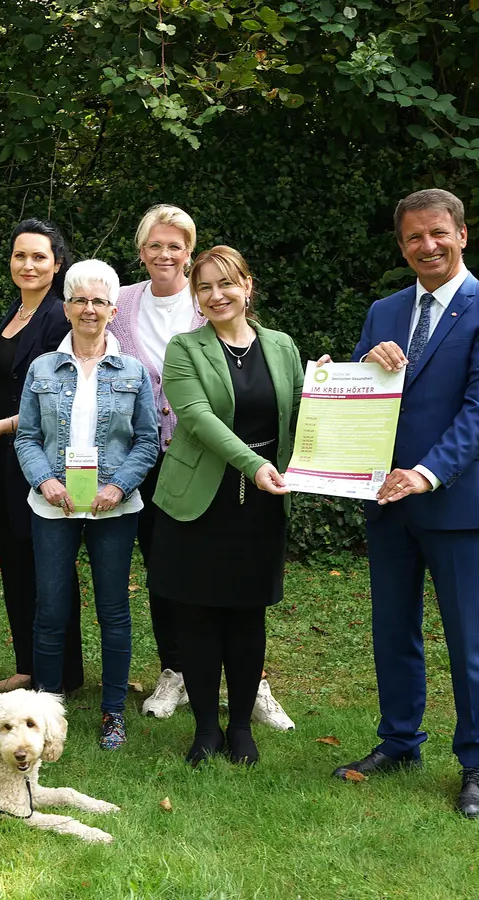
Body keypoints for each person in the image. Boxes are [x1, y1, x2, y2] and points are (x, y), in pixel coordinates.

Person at [325, 188, 479, 818]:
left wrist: (427, 473)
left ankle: (478, 763)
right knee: (393, 630)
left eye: (438, 233)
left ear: (462, 235)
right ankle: (400, 741)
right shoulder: (385, 311)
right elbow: (365, 397)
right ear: (401, 245)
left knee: (471, 639)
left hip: (457, 500)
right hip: (385, 499)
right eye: (414, 237)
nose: (427, 246)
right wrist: (353, 368)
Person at [106, 205, 298, 730]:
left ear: (190, 254)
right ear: (141, 251)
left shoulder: (243, 326)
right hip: (153, 459)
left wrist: (335, 383)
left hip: (246, 474)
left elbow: (289, 399)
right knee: (171, 578)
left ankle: (248, 684)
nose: (165, 254)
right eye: (154, 245)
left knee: (242, 589)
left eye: (176, 246)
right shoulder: (120, 302)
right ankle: (178, 673)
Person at [148, 246, 303, 767]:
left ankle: (240, 727)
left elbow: (305, 412)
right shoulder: (184, 348)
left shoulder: (282, 346)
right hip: (198, 504)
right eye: (205, 288)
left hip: (261, 505)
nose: (216, 296)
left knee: (246, 616)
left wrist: (334, 385)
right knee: (196, 617)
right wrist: (252, 465)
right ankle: (207, 729)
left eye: (226, 284)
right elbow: (195, 418)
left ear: (247, 287)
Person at [14, 259, 159, 750]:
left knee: (114, 610)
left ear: (113, 310)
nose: (89, 309)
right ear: (67, 306)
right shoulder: (42, 368)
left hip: (113, 510)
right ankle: (45, 712)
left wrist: (118, 485)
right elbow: (28, 437)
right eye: (80, 300)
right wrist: (44, 480)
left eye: (99, 301)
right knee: (51, 610)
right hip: (52, 507)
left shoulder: (134, 371)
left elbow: (147, 439)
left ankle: (113, 711)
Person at [0, 218, 85, 695]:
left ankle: (62, 673)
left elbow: (60, 398)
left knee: (49, 566)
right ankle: (27, 664)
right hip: (2, 459)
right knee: (16, 560)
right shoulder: (13, 313)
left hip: (39, 459)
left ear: (57, 265)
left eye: (39, 257)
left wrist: (4, 426)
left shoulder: (59, 317)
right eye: (20, 255)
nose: (28, 264)